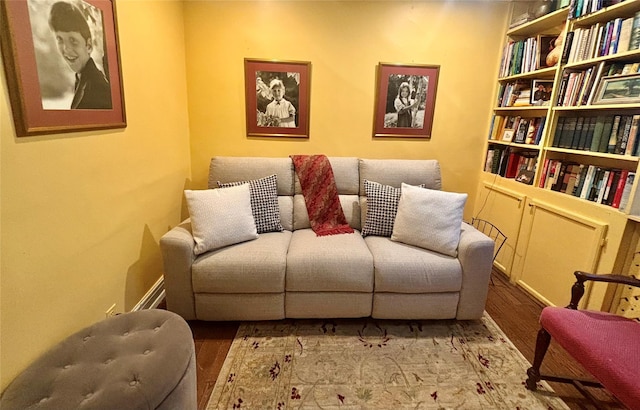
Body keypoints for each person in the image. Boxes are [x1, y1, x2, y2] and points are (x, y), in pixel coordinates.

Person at [49, 1, 112, 109]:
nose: (66, 49)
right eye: (60, 39)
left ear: (88, 45)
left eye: (73, 40)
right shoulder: (81, 78)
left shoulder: (97, 86)